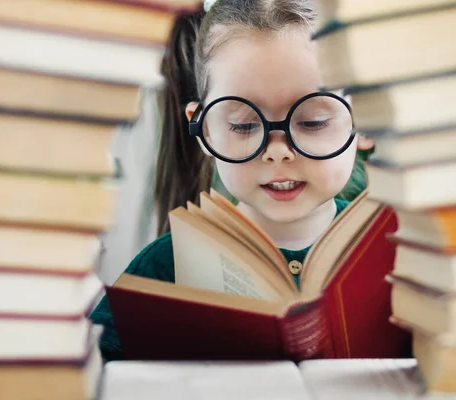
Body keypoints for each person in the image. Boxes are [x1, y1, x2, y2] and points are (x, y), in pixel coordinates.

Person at [90, 0, 381, 362]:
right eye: (244, 125)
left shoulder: (400, 255)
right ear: (205, 130)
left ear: (365, 118)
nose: (278, 152)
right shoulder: (165, 266)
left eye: (312, 122)